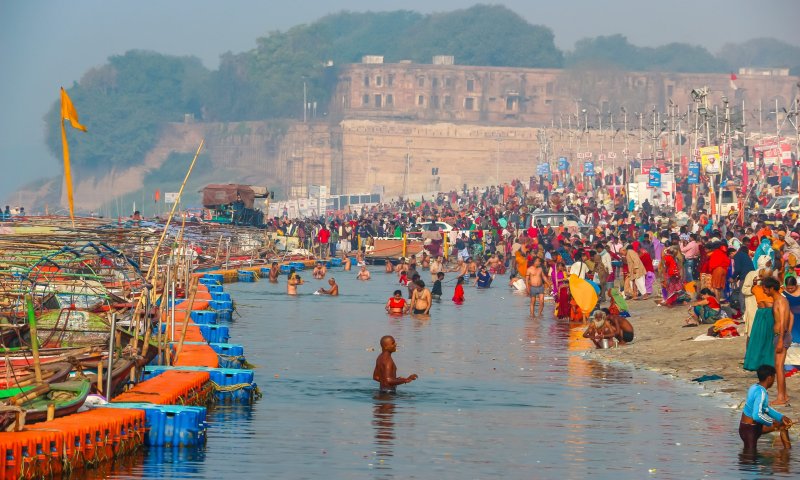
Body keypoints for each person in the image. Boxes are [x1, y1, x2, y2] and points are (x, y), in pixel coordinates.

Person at [740, 365, 793, 452]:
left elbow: (765, 408)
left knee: (783, 425)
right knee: (749, 459)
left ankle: (787, 453)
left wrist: (781, 417)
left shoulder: (754, 387)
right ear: (769, 378)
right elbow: (757, 415)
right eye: (773, 378)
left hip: (746, 427)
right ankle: (784, 457)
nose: (774, 381)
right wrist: (773, 423)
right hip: (750, 430)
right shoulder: (761, 393)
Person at [744, 276, 778, 371]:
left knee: (760, 339)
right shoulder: (768, 289)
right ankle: (767, 362)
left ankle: (759, 363)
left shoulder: (756, 288)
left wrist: (755, 282)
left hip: (762, 313)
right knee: (767, 339)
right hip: (767, 313)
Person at [771, 276, 792, 406]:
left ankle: (781, 397)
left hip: (781, 336)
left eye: (766, 289)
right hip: (781, 335)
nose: (765, 291)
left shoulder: (780, 301)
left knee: (779, 367)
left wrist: (782, 338)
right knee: (779, 367)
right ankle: (784, 395)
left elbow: (784, 320)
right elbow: (792, 316)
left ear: (771, 288)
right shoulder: (779, 300)